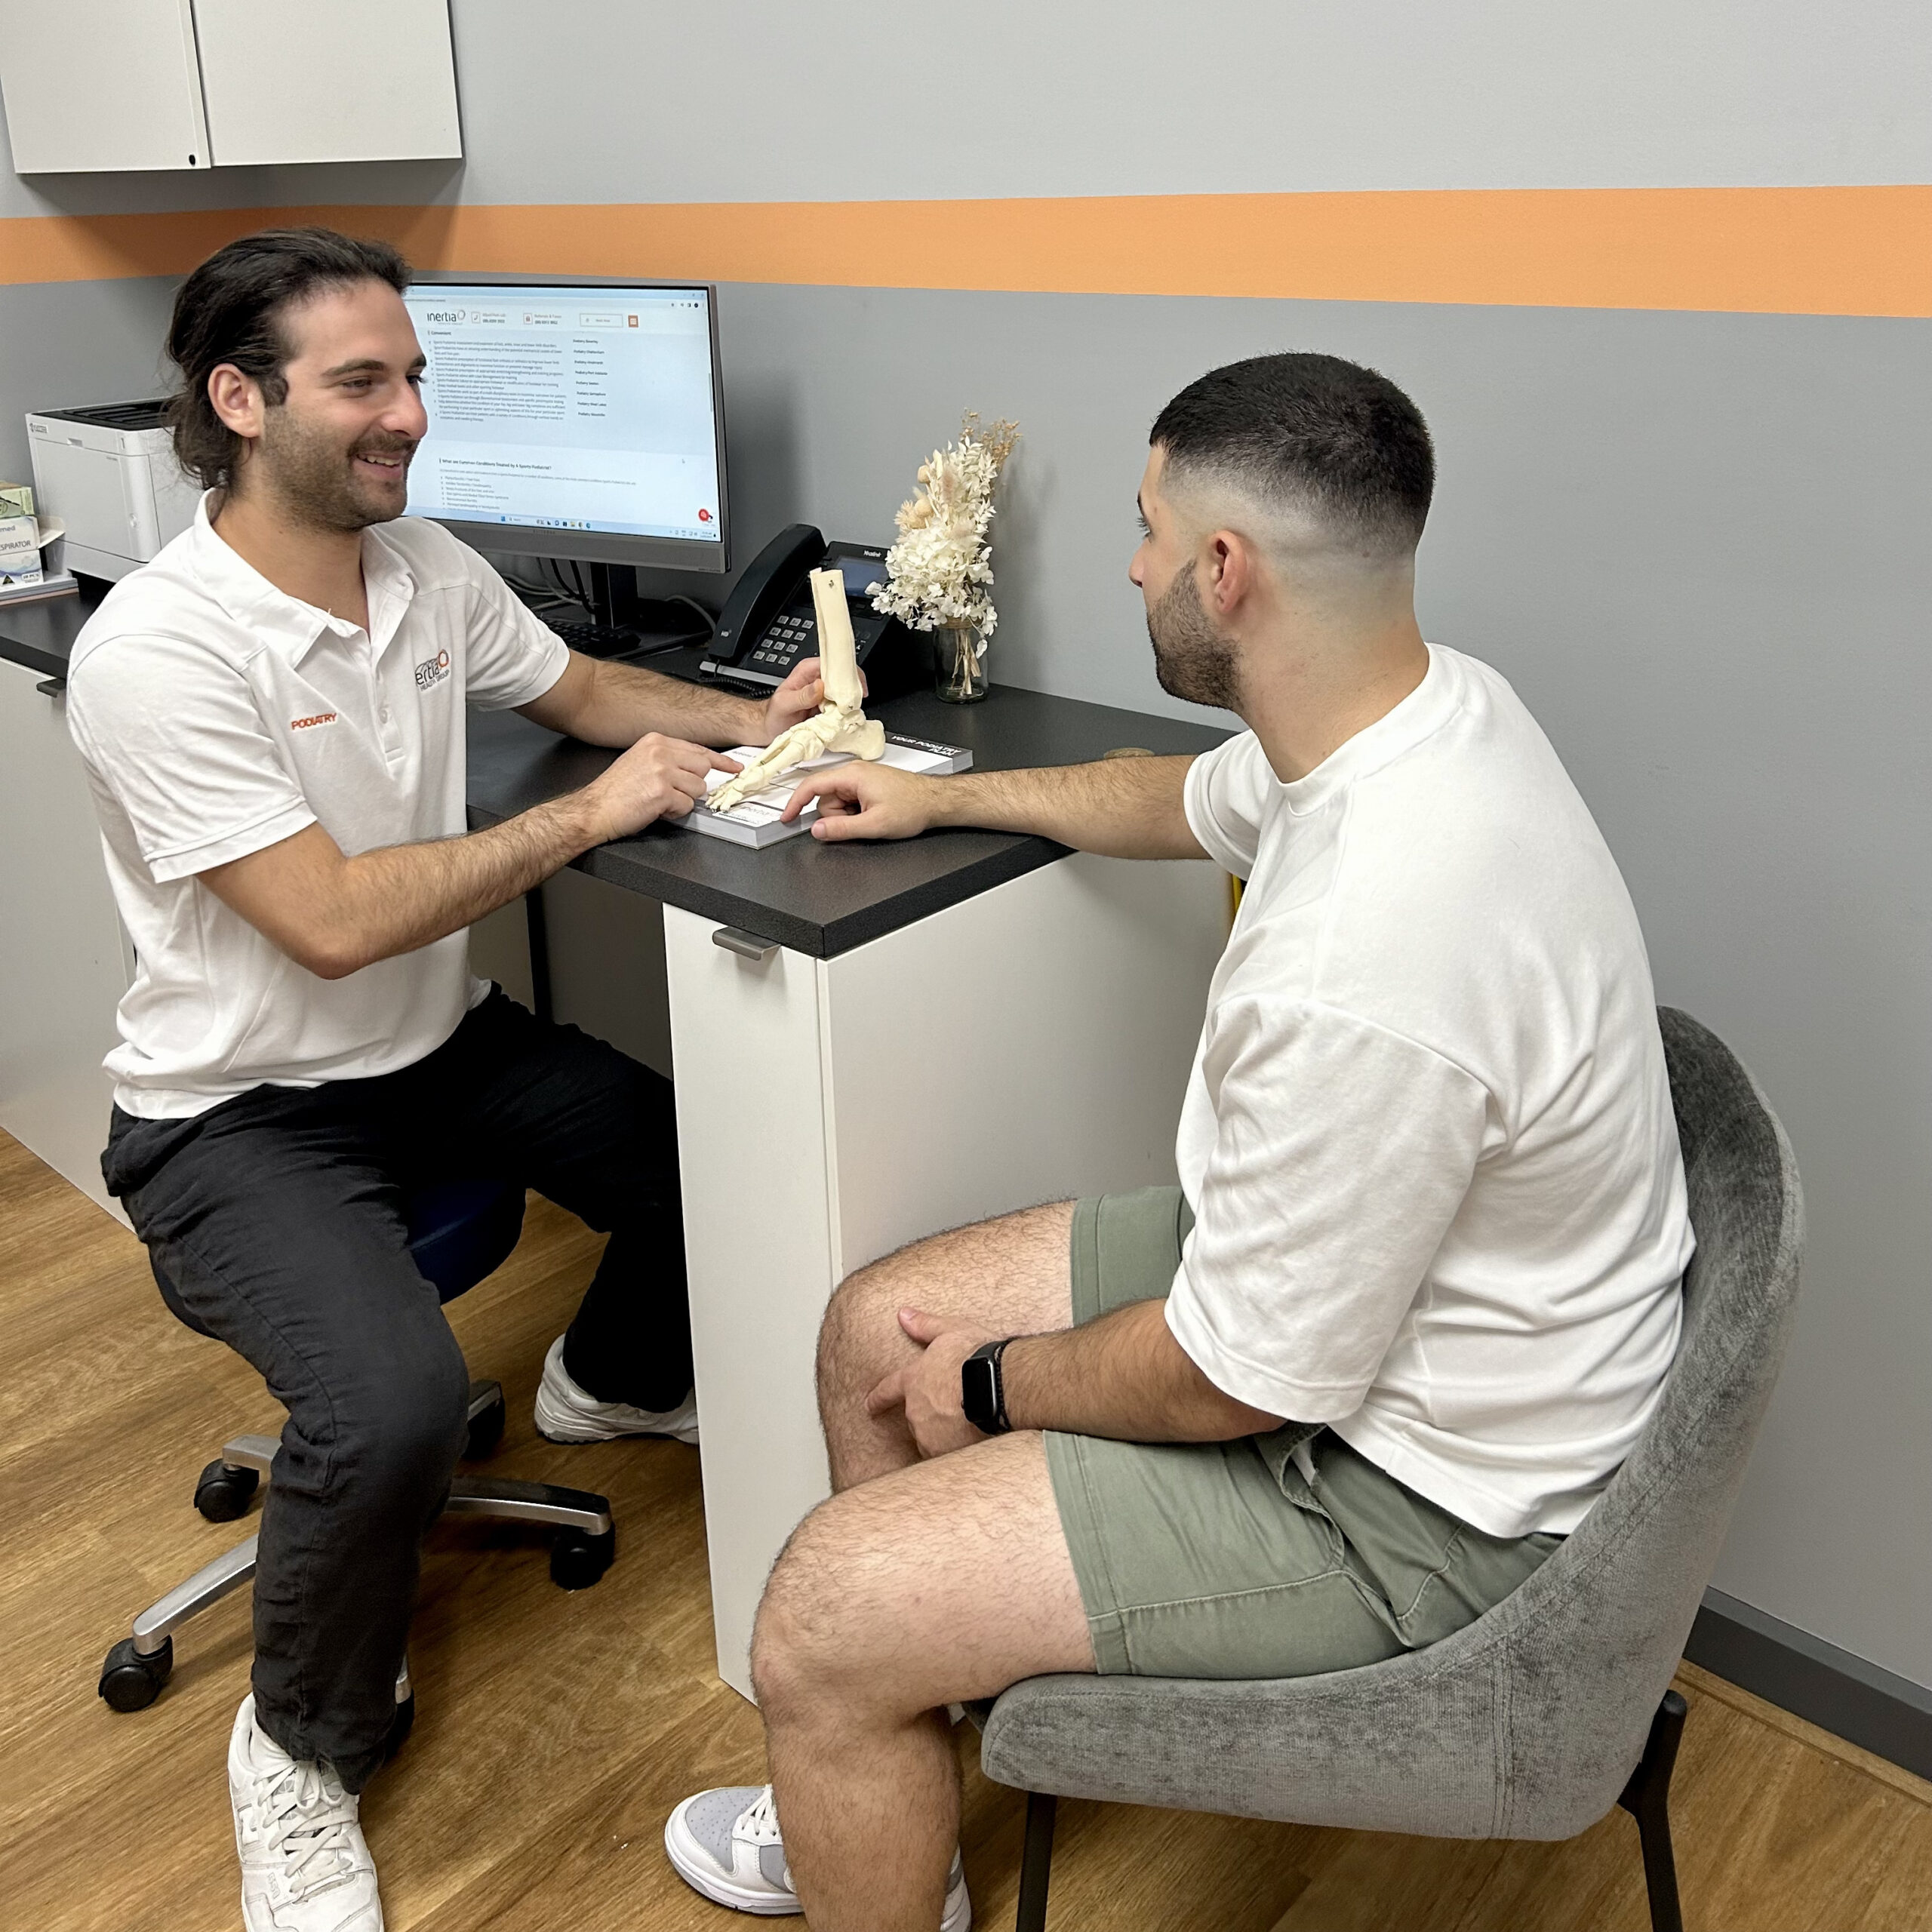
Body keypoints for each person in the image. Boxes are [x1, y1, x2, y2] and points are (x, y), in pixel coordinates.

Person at [661, 352, 1695, 1931]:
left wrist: (990, 1385)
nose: (1131, 562)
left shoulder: (1374, 948)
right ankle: (882, 1804)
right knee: (869, 1322)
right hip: (1370, 1305)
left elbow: (1234, 1380)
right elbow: (1168, 795)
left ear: (1226, 572)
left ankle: (851, 1709)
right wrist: (939, 800)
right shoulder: (1414, 709)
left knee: (816, 1607)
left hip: (1415, 1496)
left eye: (1147, 531)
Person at [64, 227, 829, 1932]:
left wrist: (742, 727)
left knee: (701, 1158)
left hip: (434, 1047)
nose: (409, 411)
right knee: (391, 1401)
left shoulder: (413, 560)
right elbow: (331, 922)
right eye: (364, 381)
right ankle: (297, 1748)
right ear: (239, 398)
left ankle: (611, 1382)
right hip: (234, 1110)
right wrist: (586, 811)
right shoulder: (161, 650)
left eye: (414, 374)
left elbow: (576, 686)